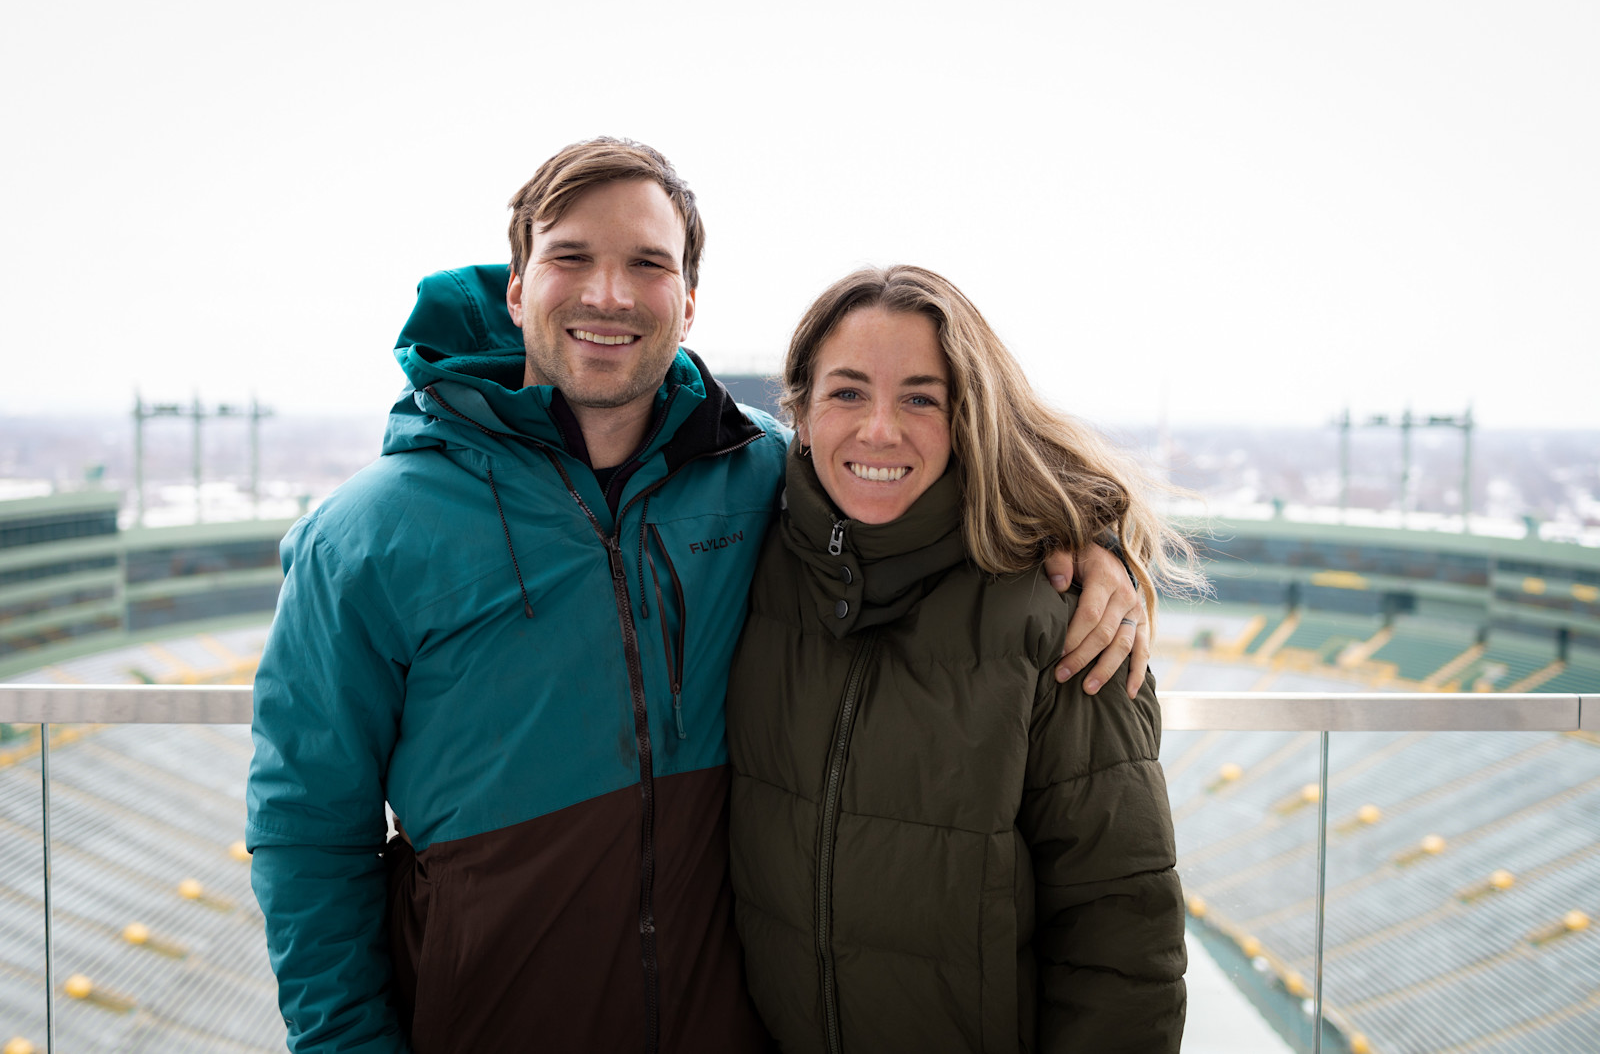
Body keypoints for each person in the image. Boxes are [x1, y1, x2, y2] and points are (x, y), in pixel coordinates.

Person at [246, 139, 1146, 1053]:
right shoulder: (364, 537)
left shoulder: (759, 472)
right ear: (516, 288)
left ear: (688, 303)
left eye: (648, 264)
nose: (608, 293)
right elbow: (307, 829)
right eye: (570, 257)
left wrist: (1095, 537)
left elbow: (924, 478)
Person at [727, 265, 1195, 1052]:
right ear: (798, 415)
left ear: (966, 417)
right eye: (846, 392)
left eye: (920, 397)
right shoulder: (747, 559)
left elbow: (1123, 939)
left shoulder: (1058, 614)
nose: (879, 429)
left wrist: (1096, 534)